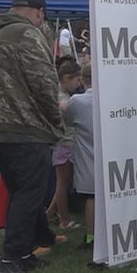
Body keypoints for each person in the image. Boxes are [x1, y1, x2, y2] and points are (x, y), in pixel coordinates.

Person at [0, 0, 64, 273]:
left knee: (20, 192)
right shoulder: (27, 34)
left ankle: (26, 251)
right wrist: (56, 119)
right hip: (26, 128)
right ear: (39, 13)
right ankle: (9, 260)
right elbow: (44, 81)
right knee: (30, 194)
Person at [45, 58, 82, 229]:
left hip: (65, 143)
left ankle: (51, 212)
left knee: (65, 181)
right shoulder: (62, 99)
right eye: (77, 80)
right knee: (63, 183)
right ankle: (64, 219)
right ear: (67, 78)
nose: (79, 83)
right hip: (64, 144)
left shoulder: (62, 94)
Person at [63, 64, 96, 250]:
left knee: (91, 196)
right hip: (109, 148)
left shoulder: (77, 101)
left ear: (82, 80)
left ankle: (91, 237)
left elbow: (68, 120)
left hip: (88, 152)